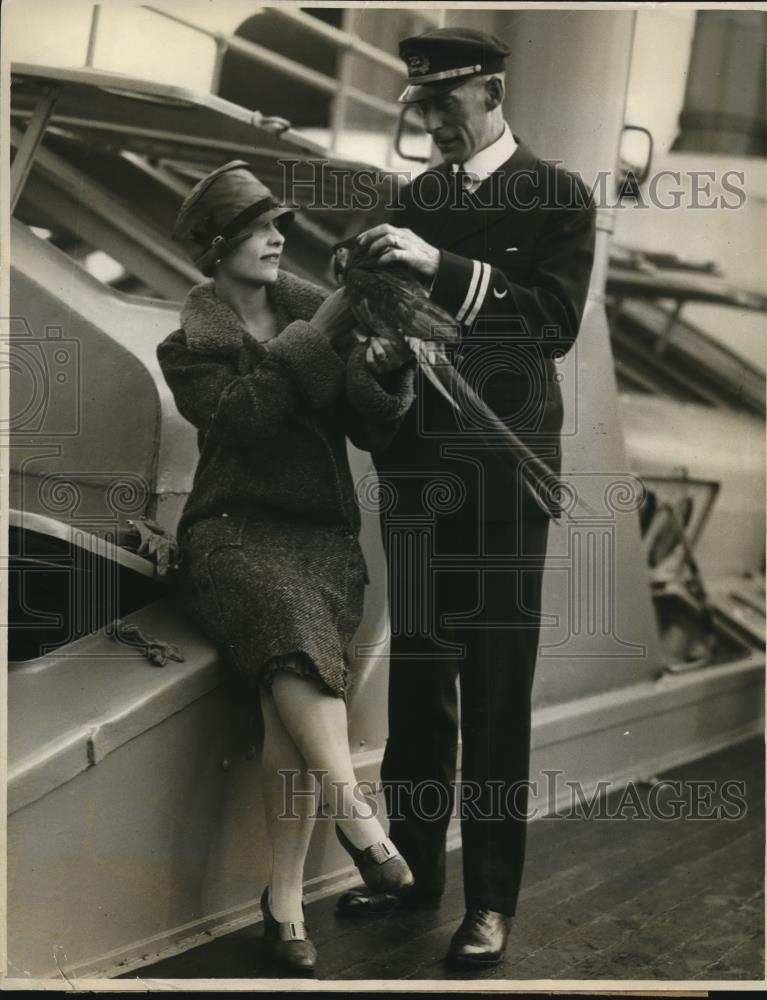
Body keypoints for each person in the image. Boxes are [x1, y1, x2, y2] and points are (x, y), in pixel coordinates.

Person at [335, 28, 596, 971]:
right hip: (419, 470)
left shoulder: (558, 195)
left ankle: (489, 901)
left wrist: (435, 267)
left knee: (492, 695)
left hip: (503, 475)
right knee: (417, 686)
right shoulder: (416, 200)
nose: (435, 124)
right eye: (423, 108)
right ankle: (410, 866)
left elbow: (551, 326)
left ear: (490, 93)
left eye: (449, 105)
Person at [156, 161, 417, 977]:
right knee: (296, 639)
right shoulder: (188, 345)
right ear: (222, 244)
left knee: (292, 697)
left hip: (321, 537)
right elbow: (244, 417)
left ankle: (284, 905)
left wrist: (387, 366)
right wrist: (322, 332)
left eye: (280, 225)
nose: (279, 238)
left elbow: (372, 429)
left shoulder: (311, 308)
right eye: (264, 226)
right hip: (230, 535)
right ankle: (360, 820)